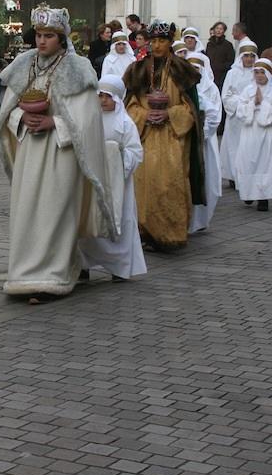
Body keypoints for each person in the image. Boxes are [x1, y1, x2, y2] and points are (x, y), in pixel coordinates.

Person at [0, 6, 116, 303]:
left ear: (61, 38)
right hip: (30, 150)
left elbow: (88, 117)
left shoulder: (77, 68)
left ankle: (53, 278)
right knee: (26, 213)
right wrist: (21, 120)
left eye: (49, 35)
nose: (42, 41)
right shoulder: (25, 65)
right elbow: (6, 109)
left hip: (61, 153)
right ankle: (23, 276)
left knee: (55, 212)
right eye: (38, 35)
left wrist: (54, 122)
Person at [124, 19, 204, 252]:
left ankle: (170, 233)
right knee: (143, 183)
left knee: (170, 182)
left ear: (170, 42)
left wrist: (170, 114)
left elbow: (192, 109)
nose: (157, 45)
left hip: (172, 138)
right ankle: (143, 232)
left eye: (162, 41)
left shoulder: (181, 69)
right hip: (145, 136)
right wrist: (143, 115)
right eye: (154, 41)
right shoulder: (138, 70)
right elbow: (128, 106)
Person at [77, 74, 146, 281]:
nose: (103, 101)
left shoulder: (125, 123)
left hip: (118, 185)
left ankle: (119, 266)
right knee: (88, 218)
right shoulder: (89, 119)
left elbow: (135, 151)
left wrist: (117, 159)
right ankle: (82, 264)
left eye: (108, 97)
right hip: (91, 180)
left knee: (120, 222)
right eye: (100, 96)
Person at [234, 58, 272, 212]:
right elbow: (240, 111)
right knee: (247, 162)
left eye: (262, 72)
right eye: (256, 72)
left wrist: (263, 104)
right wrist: (253, 104)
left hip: (265, 133)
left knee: (264, 164)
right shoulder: (248, 90)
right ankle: (249, 192)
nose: (259, 75)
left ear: (268, 74)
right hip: (250, 132)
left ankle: (263, 197)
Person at [188, 56, 221, 233]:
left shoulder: (210, 88)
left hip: (206, 142)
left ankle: (201, 220)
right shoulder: (182, 86)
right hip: (186, 141)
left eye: (197, 67)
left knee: (207, 180)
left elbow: (215, 115)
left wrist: (203, 134)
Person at [219, 40, 257, 188]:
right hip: (235, 118)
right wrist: (241, 103)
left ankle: (248, 175)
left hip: (252, 117)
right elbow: (226, 95)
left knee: (249, 147)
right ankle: (234, 175)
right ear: (241, 57)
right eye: (246, 56)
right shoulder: (232, 73)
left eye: (252, 56)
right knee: (234, 146)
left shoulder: (258, 73)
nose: (249, 59)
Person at [204, 21, 234, 91]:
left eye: (221, 29)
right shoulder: (209, 44)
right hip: (210, 75)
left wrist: (221, 67)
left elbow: (230, 61)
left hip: (222, 76)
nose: (218, 31)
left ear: (224, 31)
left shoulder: (228, 45)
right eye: (217, 28)